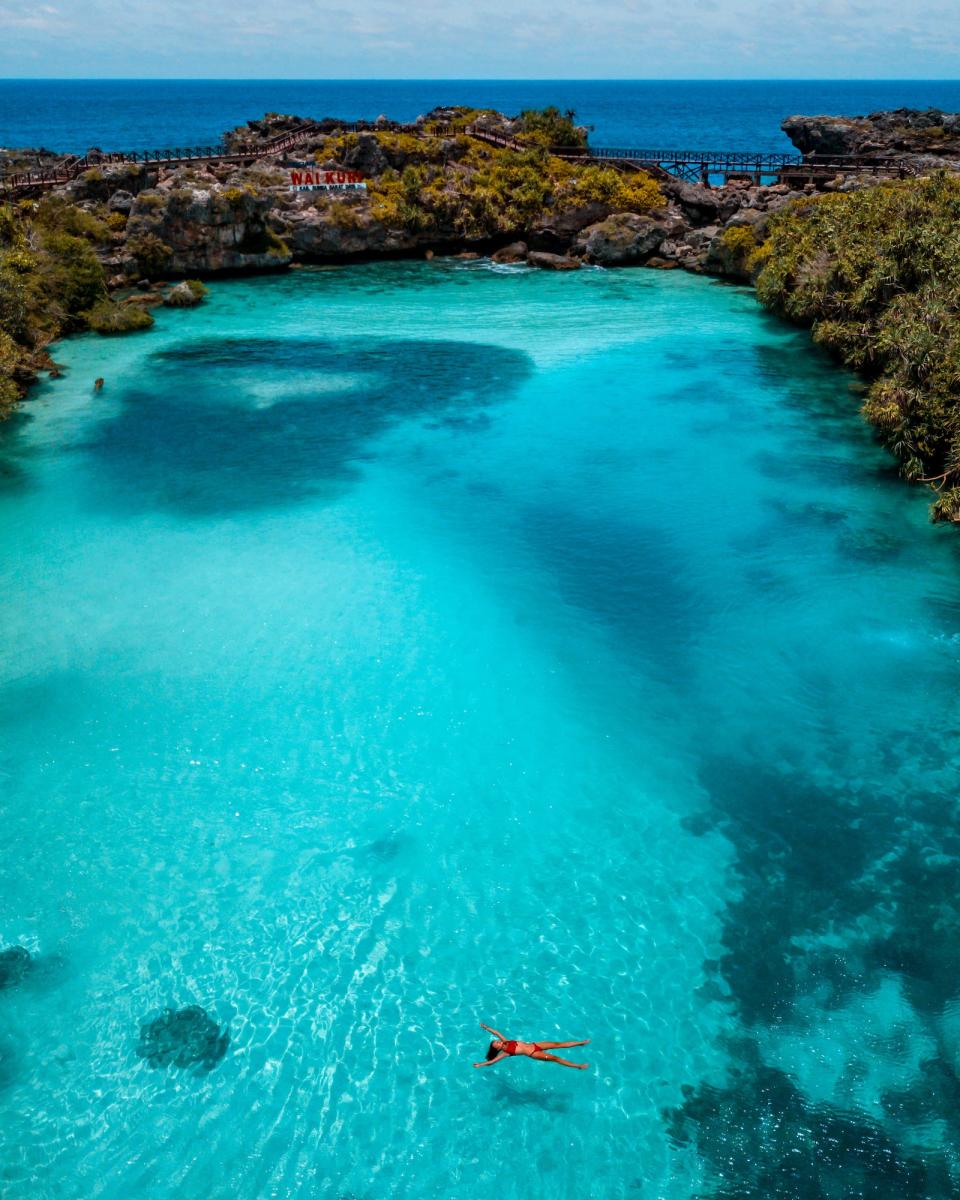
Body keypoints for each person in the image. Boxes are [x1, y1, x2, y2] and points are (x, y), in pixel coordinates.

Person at [473, 1021, 590, 1070]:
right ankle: (578, 1066)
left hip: (535, 1045)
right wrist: (480, 1064)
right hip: (533, 1053)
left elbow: (497, 1032)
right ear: (497, 1048)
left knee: (558, 1044)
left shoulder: (505, 1041)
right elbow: (492, 1061)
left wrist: (486, 1027)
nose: (498, 1041)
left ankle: (580, 1043)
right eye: (496, 1043)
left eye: (496, 1041)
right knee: (555, 1058)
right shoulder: (506, 1052)